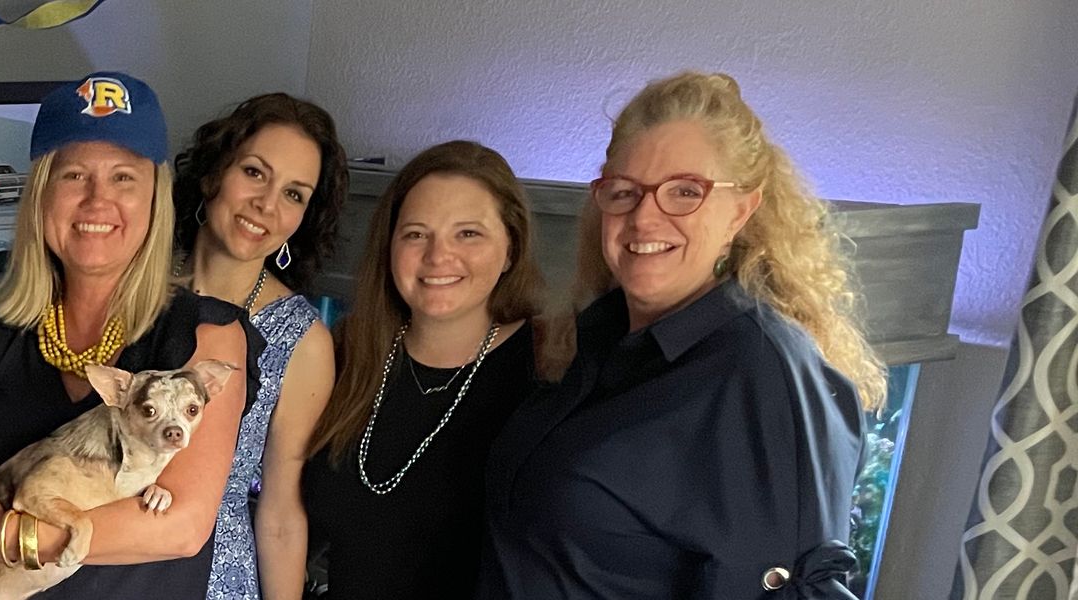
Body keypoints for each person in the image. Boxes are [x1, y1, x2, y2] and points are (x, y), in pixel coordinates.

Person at [481, 71, 883, 599]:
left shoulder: (760, 374)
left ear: (741, 210)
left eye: (685, 191)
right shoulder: (596, 339)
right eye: (625, 192)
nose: (645, 217)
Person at [0, 71, 257, 599]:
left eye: (124, 177)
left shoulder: (205, 335)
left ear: (155, 198)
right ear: (41, 197)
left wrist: (9, 535)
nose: (98, 201)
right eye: (73, 176)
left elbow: (182, 525)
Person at [300, 141, 560, 599]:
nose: (439, 256)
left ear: (510, 249)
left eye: (468, 234)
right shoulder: (346, 352)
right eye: (416, 234)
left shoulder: (551, 368)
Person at [170, 92, 346, 600]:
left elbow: (281, 513)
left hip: (214, 575)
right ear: (212, 175)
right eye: (254, 172)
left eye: (294, 194)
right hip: (97, 555)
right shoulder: (133, 286)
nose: (267, 205)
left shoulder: (303, 339)